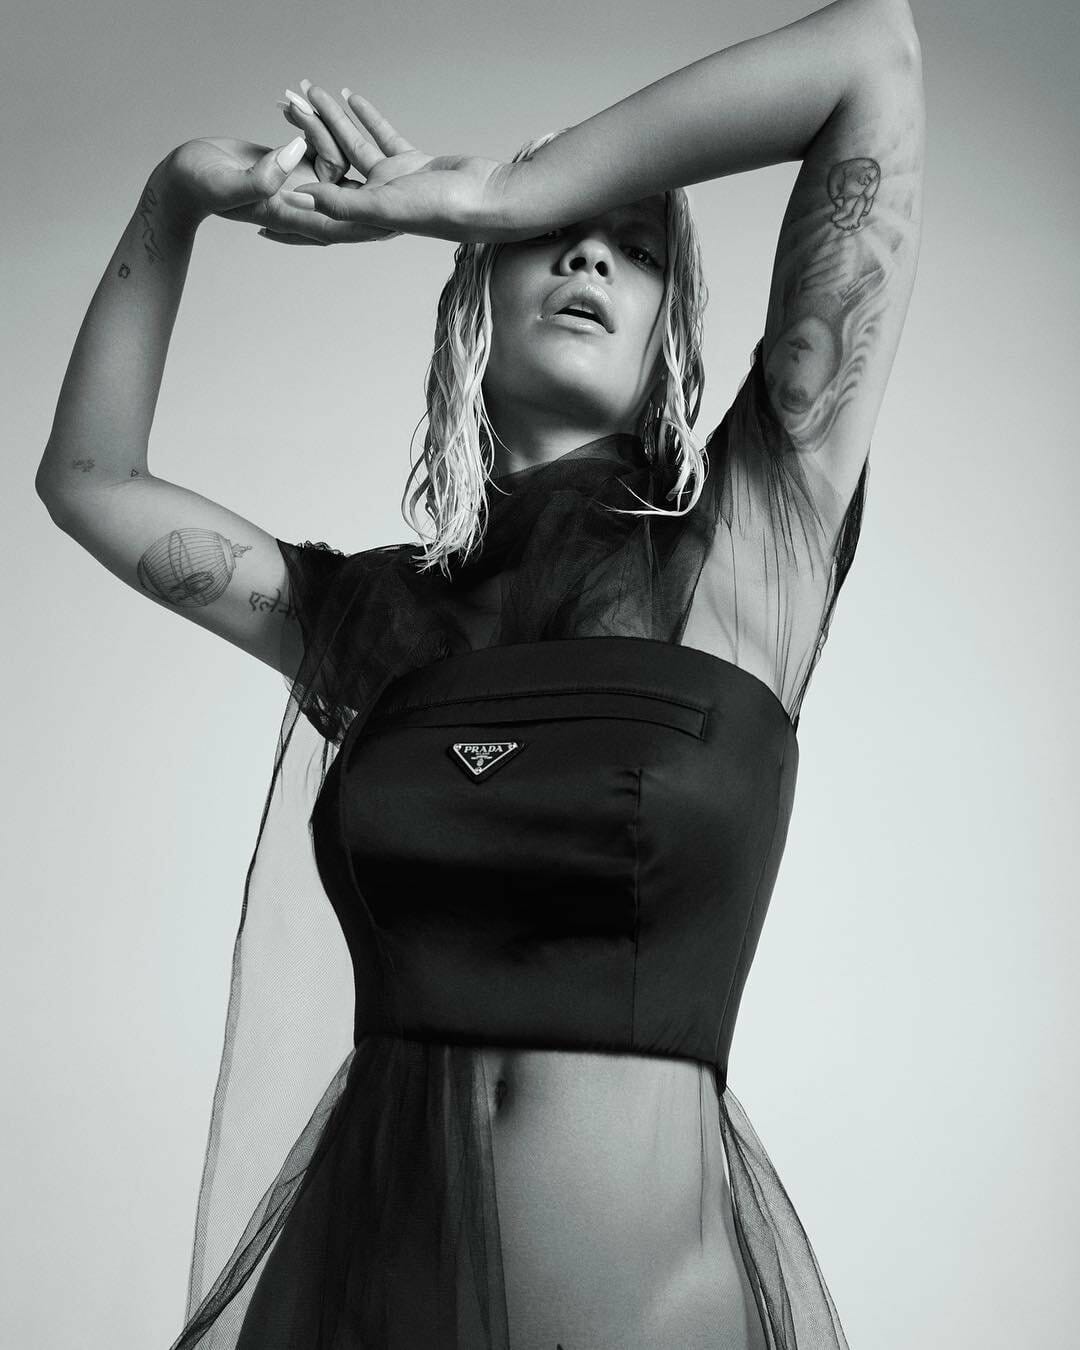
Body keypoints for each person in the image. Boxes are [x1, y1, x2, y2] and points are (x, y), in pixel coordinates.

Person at [35, 0, 925, 1344]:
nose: (590, 251)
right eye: (552, 234)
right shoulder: (368, 617)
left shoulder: (753, 538)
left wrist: (502, 191)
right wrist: (175, 197)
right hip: (359, 1289)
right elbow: (90, 481)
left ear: (668, 336)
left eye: (636, 247)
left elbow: (874, 56)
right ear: (475, 299)